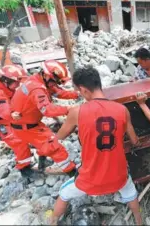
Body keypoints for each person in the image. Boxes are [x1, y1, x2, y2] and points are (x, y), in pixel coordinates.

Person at [50, 67, 142, 225]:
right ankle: (140, 221)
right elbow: (135, 141)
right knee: (131, 193)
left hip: (90, 180)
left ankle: (52, 221)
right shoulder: (122, 110)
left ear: (84, 90)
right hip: (118, 177)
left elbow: (59, 137)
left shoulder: (77, 112)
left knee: (64, 193)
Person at [10, 60, 78, 178]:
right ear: (46, 75)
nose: (55, 85)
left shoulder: (39, 81)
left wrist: (77, 94)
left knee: (45, 141)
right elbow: (48, 110)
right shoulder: (36, 89)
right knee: (54, 146)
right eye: (55, 81)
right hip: (25, 126)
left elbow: (58, 92)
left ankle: (42, 163)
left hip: (29, 123)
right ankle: (73, 174)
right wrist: (69, 109)